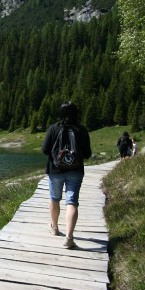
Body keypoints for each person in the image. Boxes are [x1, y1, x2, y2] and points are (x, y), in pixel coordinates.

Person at [42, 101, 92, 249]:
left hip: (55, 170)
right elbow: (88, 154)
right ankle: (69, 238)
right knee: (72, 202)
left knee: (54, 199)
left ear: (61, 113)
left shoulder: (53, 128)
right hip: (75, 171)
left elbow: (45, 150)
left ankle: (55, 227)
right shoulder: (81, 130)